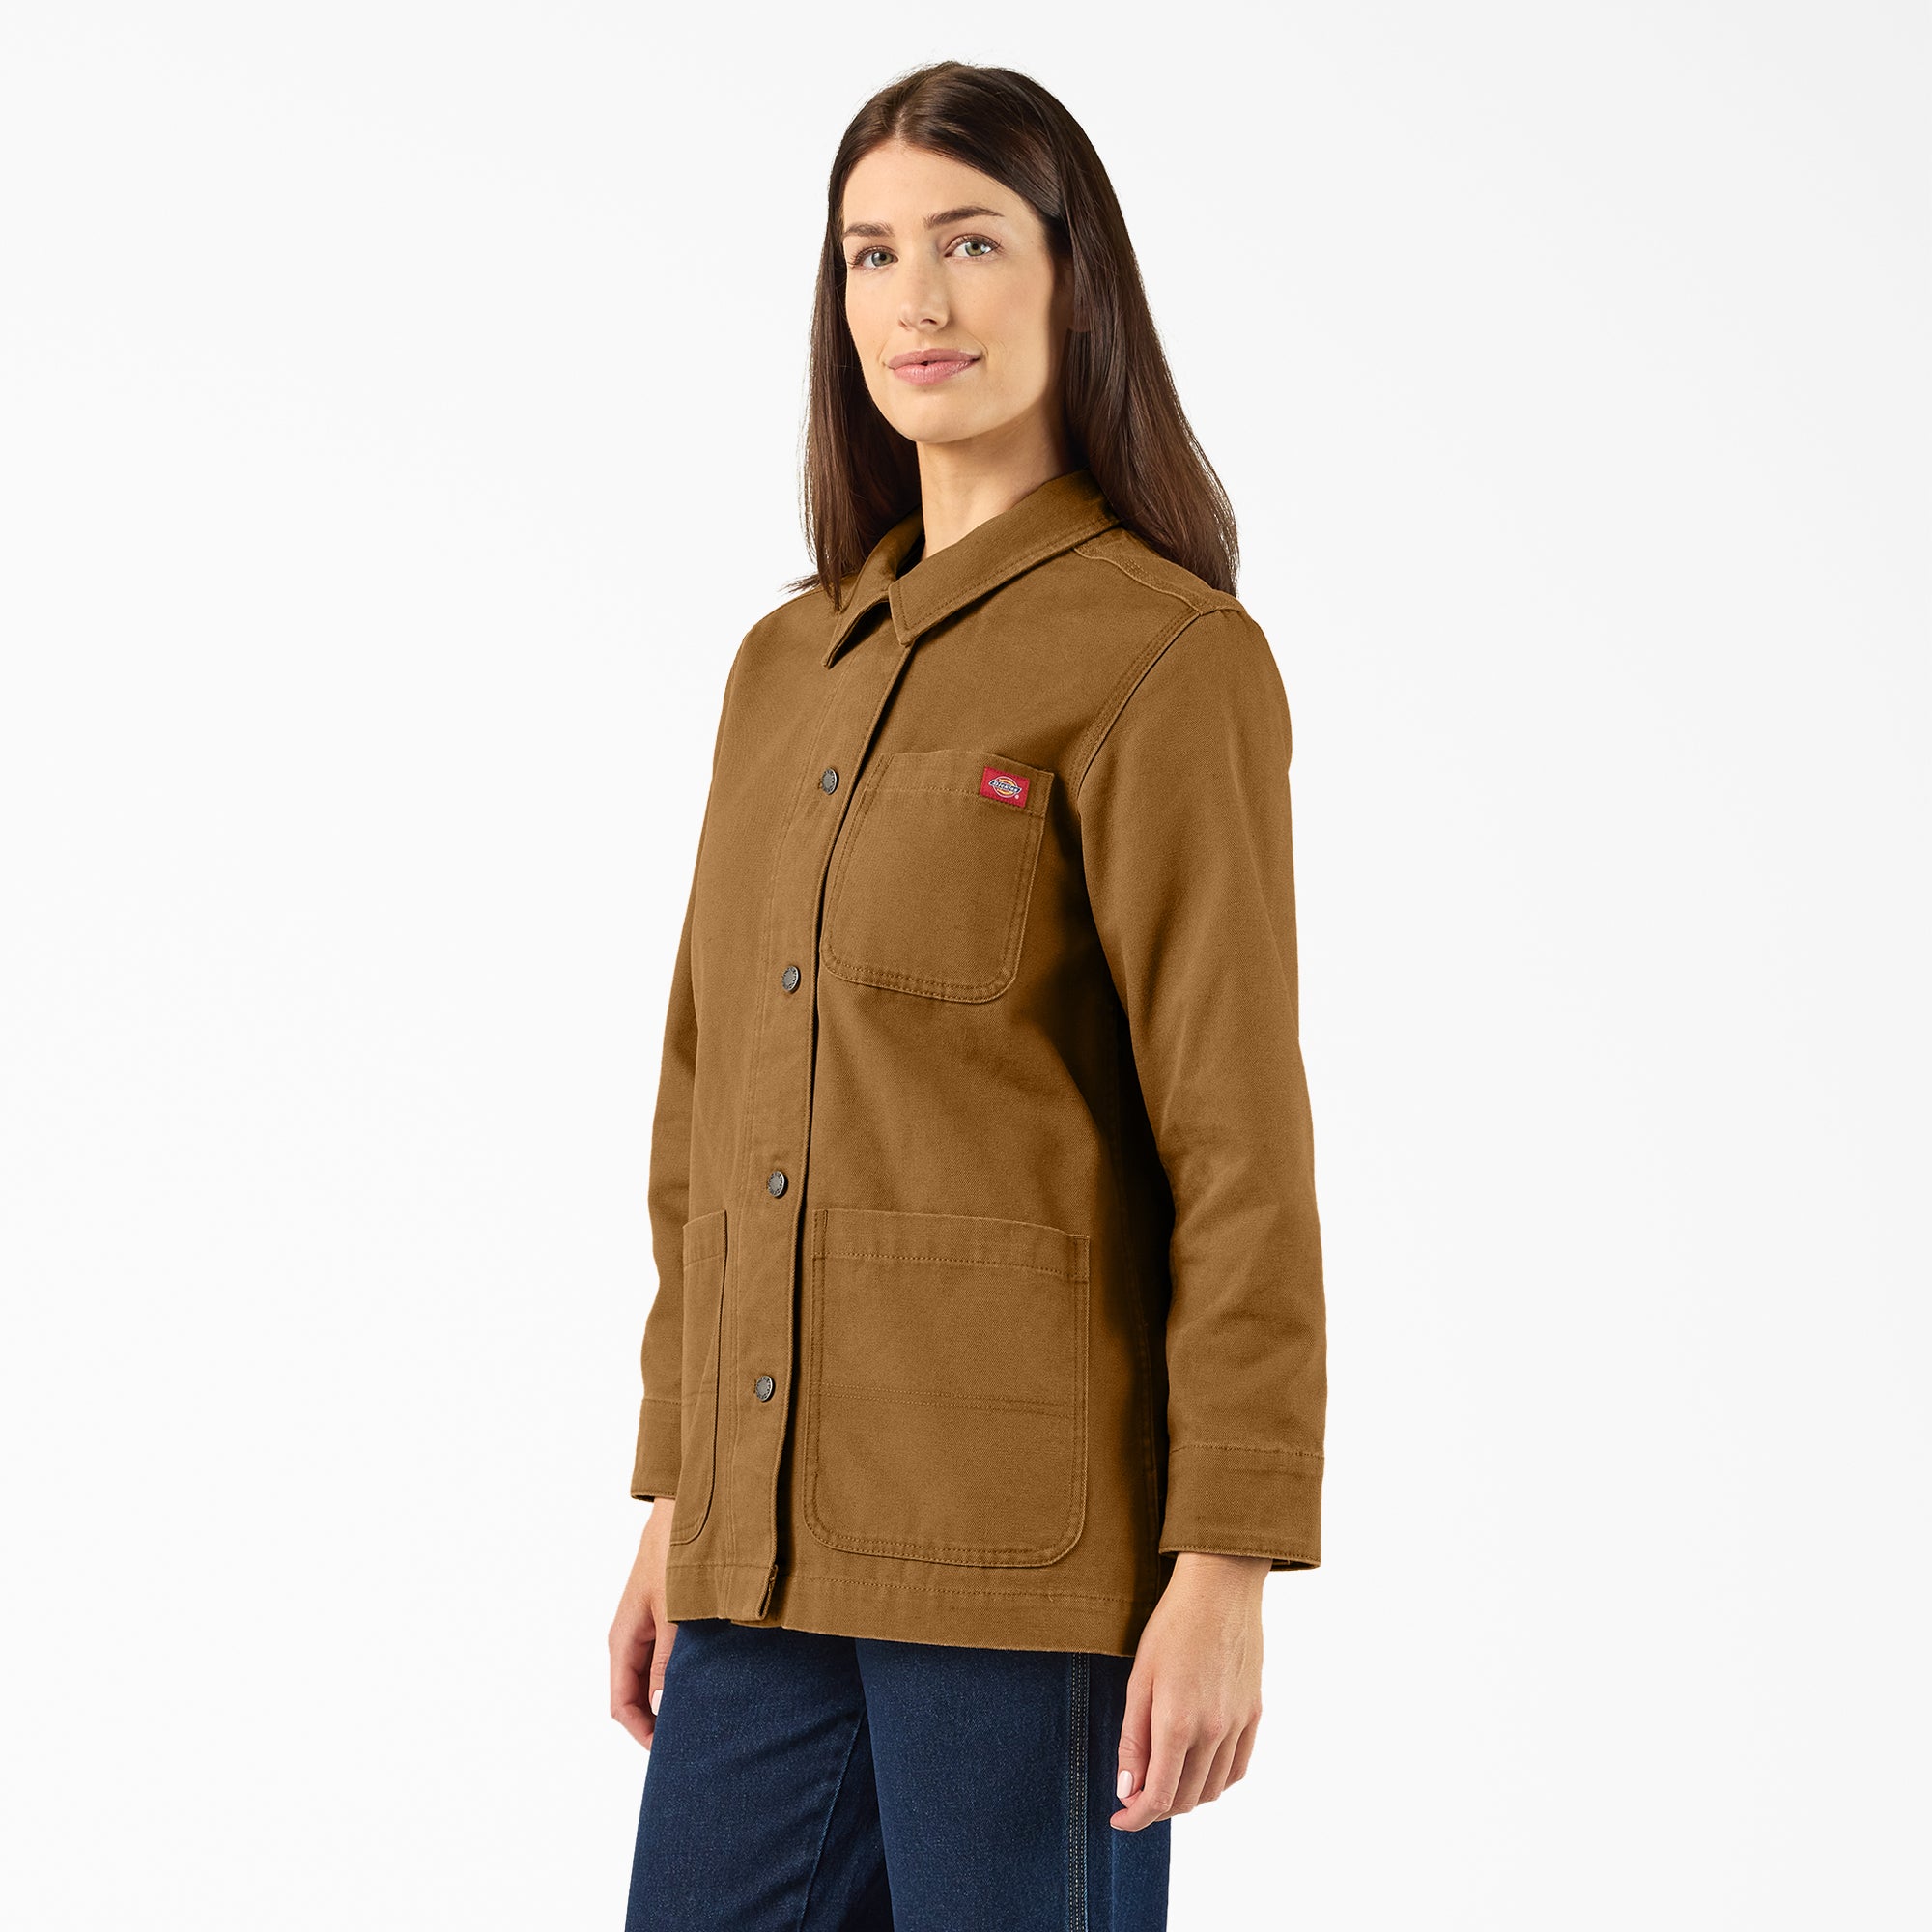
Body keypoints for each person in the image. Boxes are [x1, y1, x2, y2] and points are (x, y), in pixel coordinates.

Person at [609, 58, 1325, 1931]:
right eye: (870, 255)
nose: (915, 299)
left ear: (1073, 279)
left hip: (1023, 1560)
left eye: (971, 242)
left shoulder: (1167, 656)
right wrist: (681, 1491)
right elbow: (709, 1101)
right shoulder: (784, 666)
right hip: (762, 1556)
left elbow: (1234, 1142)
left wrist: (1226, 1558)